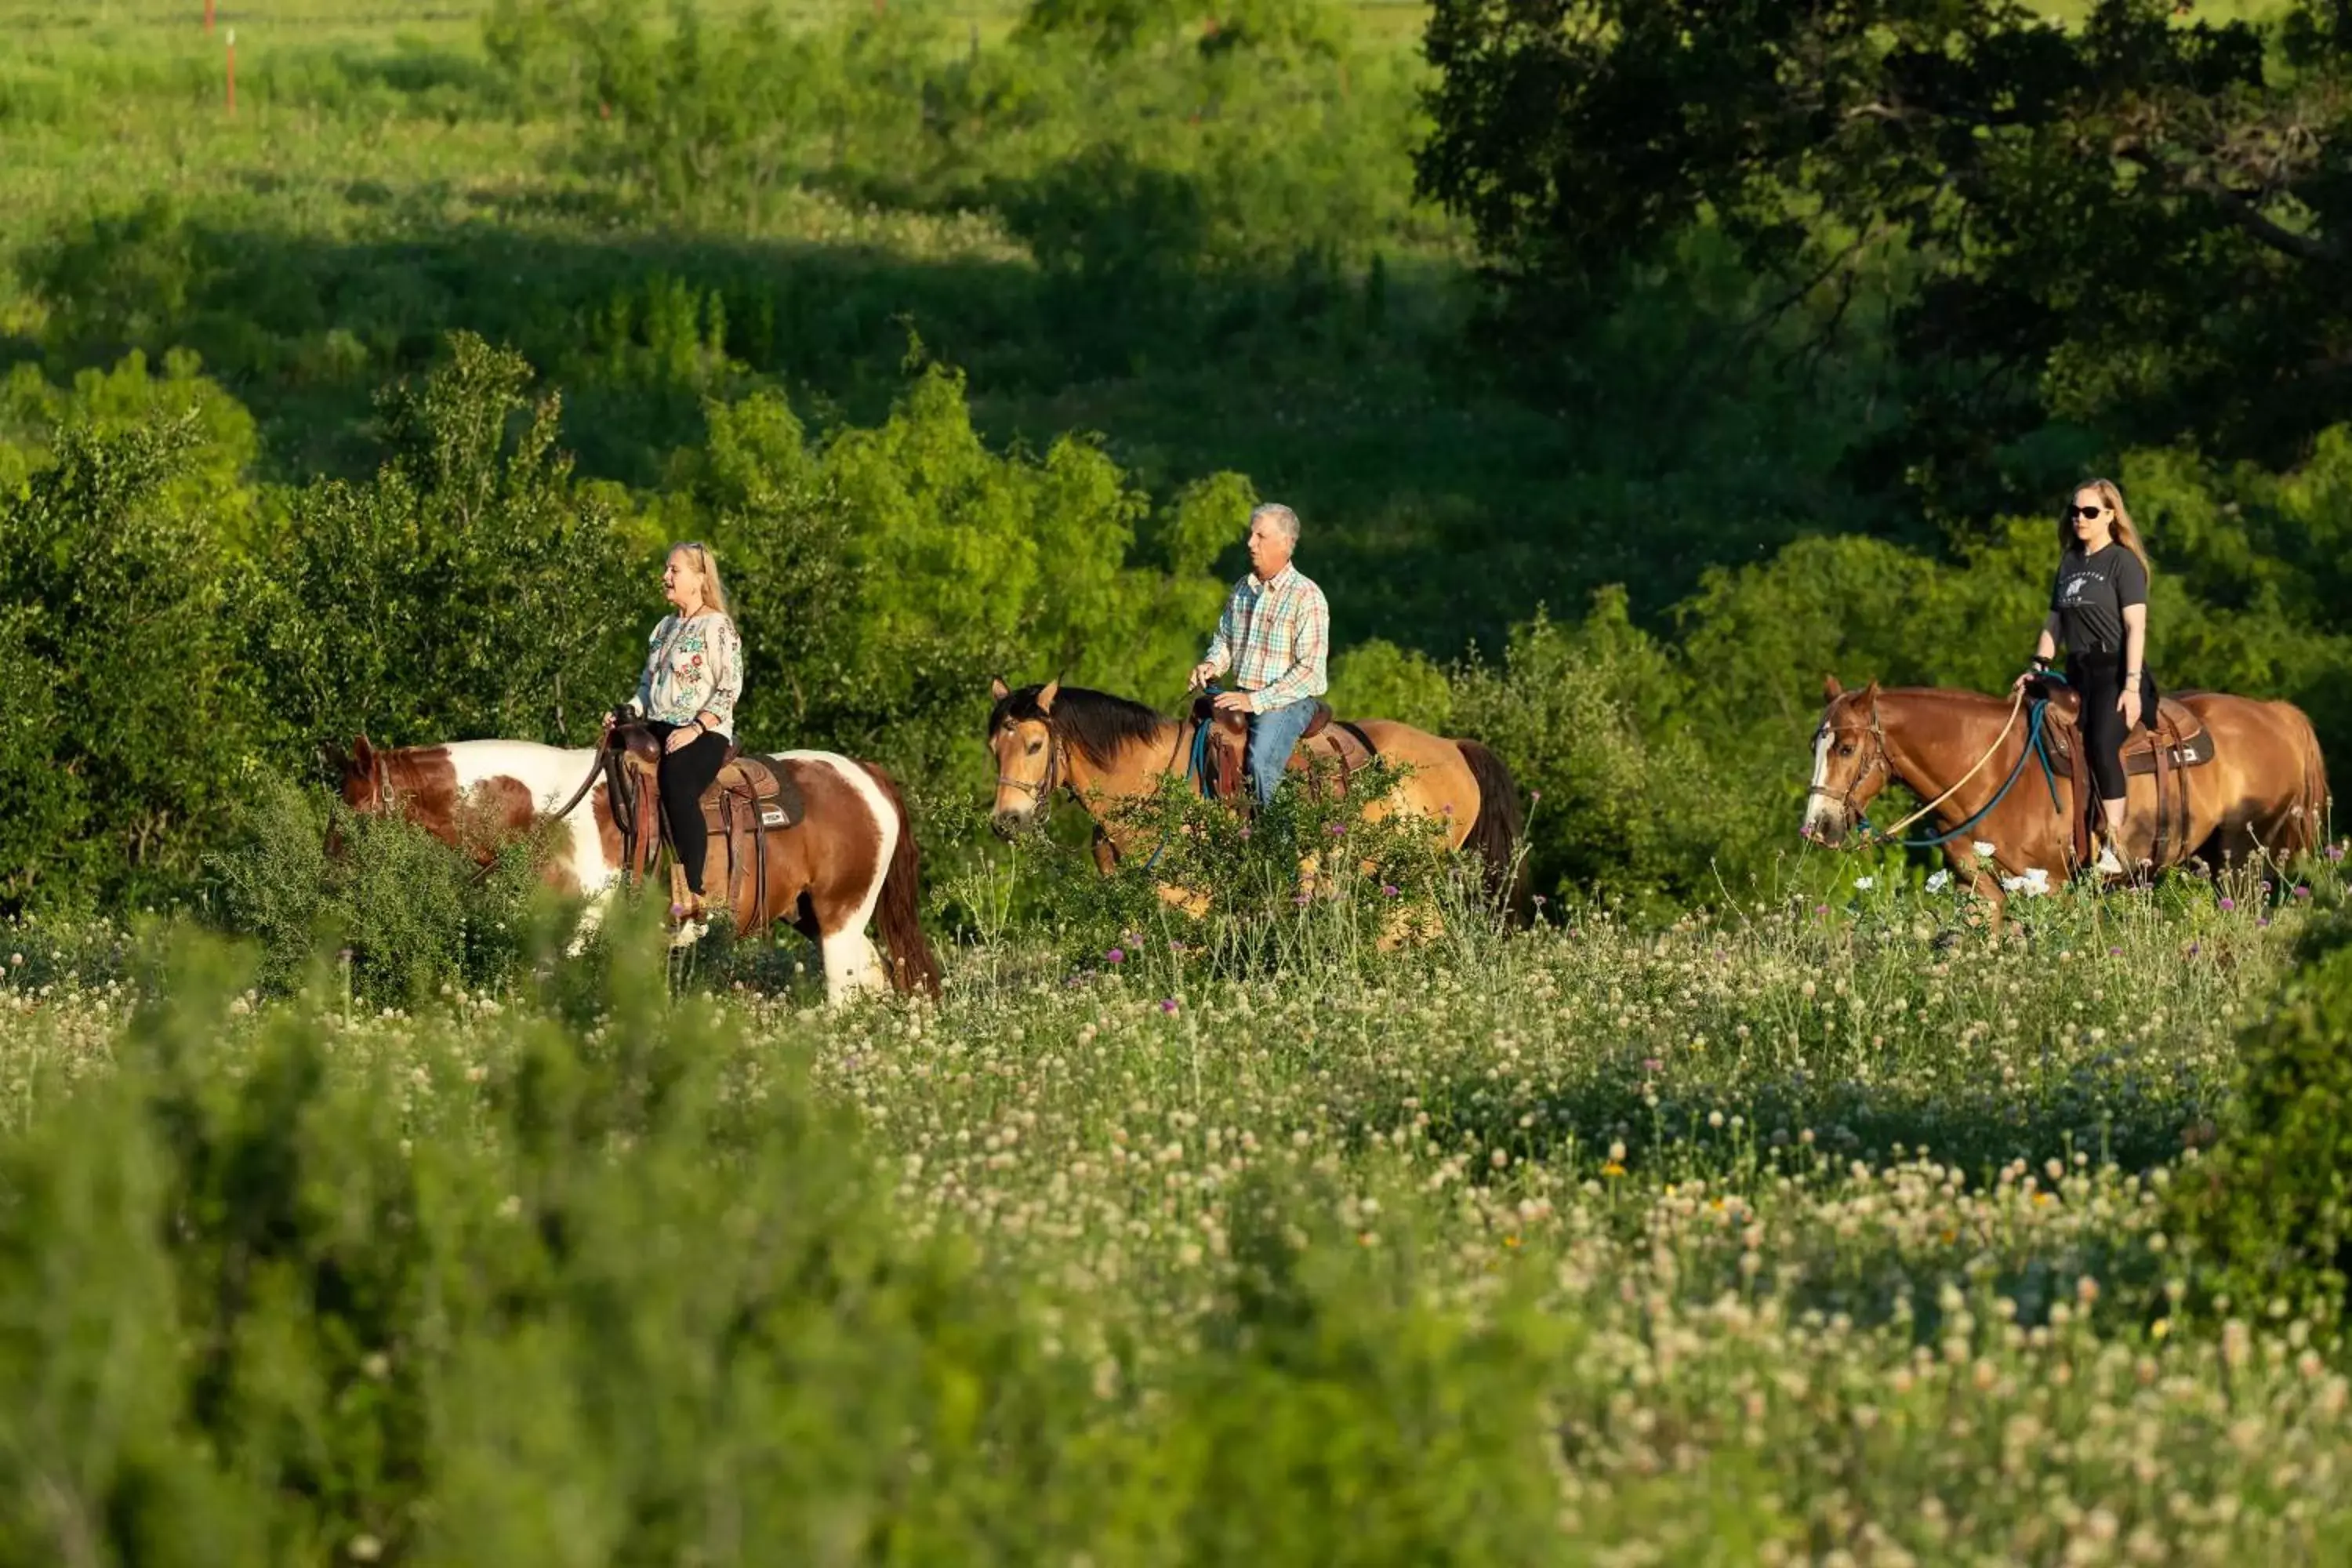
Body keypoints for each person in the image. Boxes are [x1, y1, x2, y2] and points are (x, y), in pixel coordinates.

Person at [2011, 477, 2158, 877]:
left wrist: (2131, 687)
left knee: (2100, 742)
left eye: (2090, 511)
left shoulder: (2122, 562)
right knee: (2035, 728)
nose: (2080, 518)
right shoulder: (2070, 561)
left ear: (2110, 515)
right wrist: (2037, 666)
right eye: (2075, 511)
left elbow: (2136, 628)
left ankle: (2114, 841)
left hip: (2115, 669)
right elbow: (2054, 622)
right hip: (2077, 671)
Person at [607, 540, 744, 920]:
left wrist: (697, 727)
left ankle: (693, 891)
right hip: (660, 724)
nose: (665, 577)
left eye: (674, 570)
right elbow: (647, 687)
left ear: (699, 579)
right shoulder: (664, 627)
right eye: (666, 569)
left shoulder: (718, 627)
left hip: (705, 731)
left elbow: (730, 688)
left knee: (677, 784)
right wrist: (626, 712)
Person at [1188, 502, 1331, 811]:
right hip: (1242, 694)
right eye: (1251, 535)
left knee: (1261, 760)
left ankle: (1279, 849)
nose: (1250, 543)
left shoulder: (1307, 596)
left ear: (1285, 543)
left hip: (1289, 702)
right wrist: (1212, 664)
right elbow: (1224, 641)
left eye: (1260, 536)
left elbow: (1310, 671)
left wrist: (1254, 701)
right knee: (1195, 738)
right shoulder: (1242, 589)